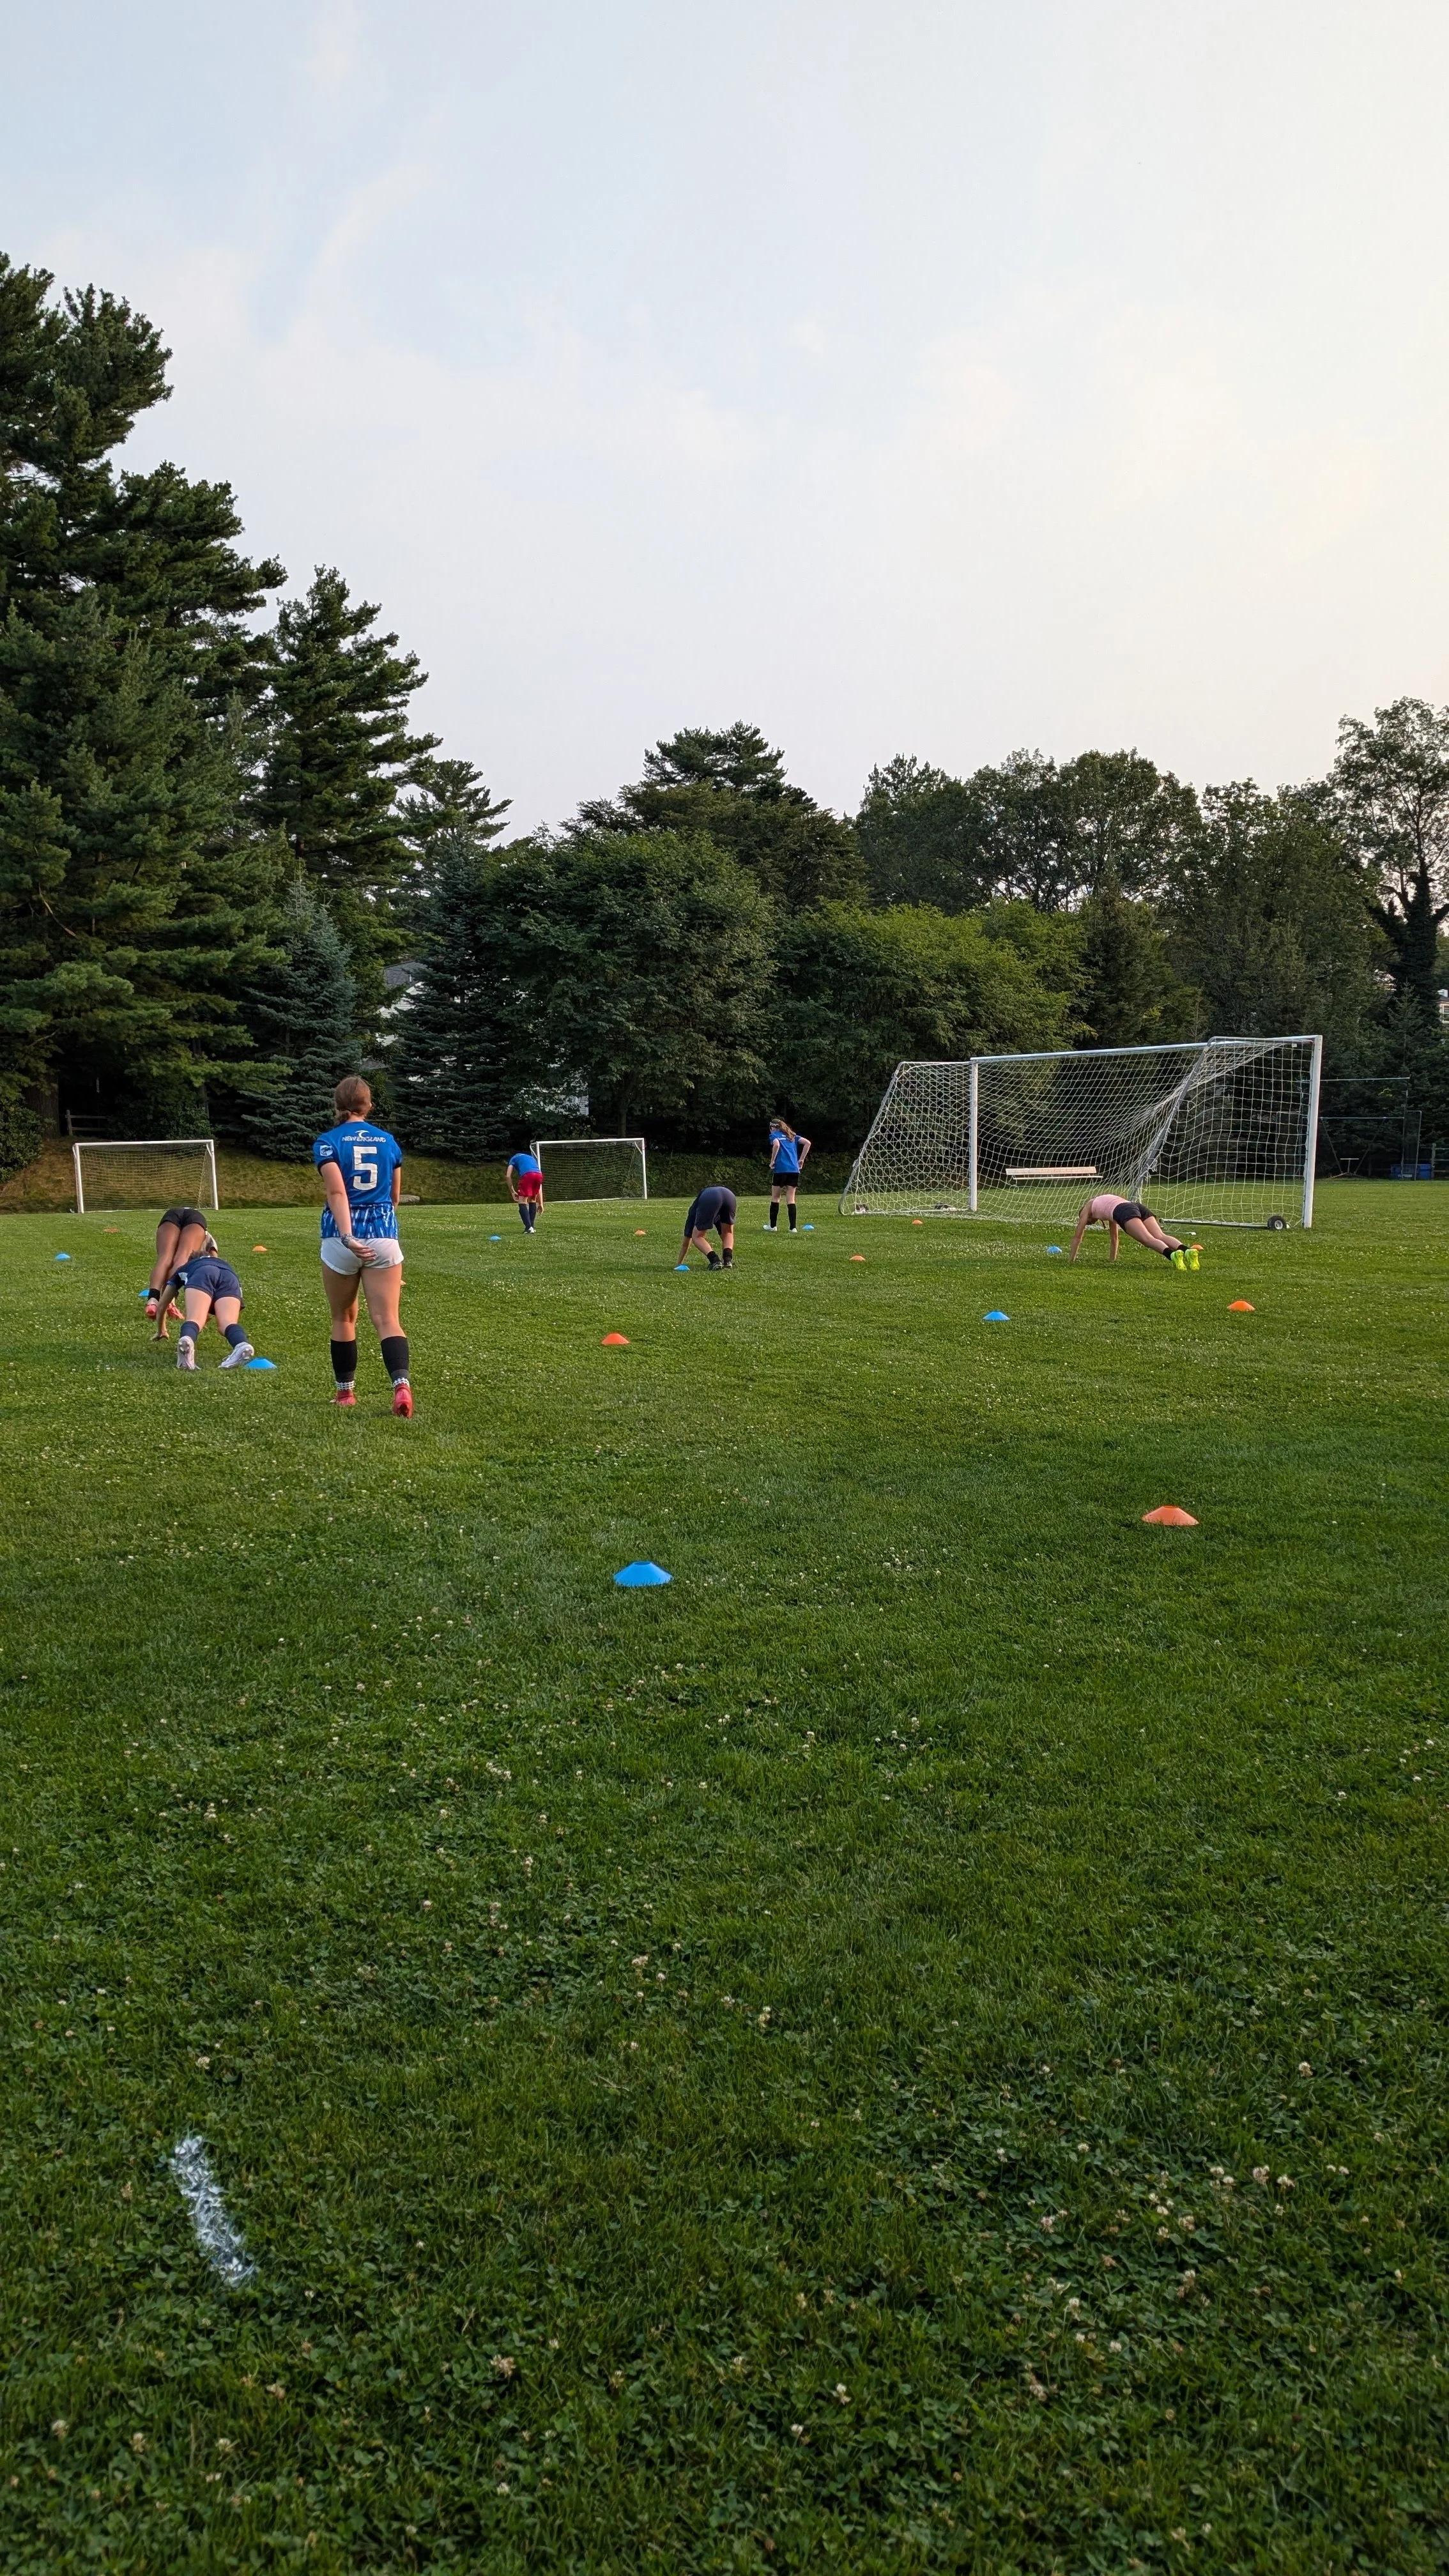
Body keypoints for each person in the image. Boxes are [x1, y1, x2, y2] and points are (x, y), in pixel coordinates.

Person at [312, 1076, 413, 1415]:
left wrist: (348, 1236)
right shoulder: (388, 1141)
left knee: (343, 1317)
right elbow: (395, 1197)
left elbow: (337, 1192)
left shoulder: (327, 1142)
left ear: (337, 1105)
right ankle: (401, 1386)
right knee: (387, 1319)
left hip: (341, 1237)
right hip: (383, 1234)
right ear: (369, 1105)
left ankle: (345, 1394)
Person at [161, 1243, 254, 1372]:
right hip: (230, 1277)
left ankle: (187, 1341)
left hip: (202, 1273)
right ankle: (241, 1344)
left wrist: (161, 1329)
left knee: (195, 1319)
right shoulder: (224, 1264)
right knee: (227, 1323)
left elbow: (163, 1304)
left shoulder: (187, 1267)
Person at [1070, 1190, 1198, 1268]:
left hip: (1125, 1211)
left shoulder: (1087, 1209)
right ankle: (1187, 1251)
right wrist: (1112, 1260)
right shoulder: (1104, 1204)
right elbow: (1114, 1238)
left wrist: (1071, 1261)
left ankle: (1173, 1255)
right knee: (1160, 1235)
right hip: (1136, 1206)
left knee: (1147, 1239)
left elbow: (1077, 1237)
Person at [145, 1206, 211, 1322]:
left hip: (172, 1214)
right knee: (183, 1258)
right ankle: (170, 1301)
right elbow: (213, 1254)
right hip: (196, 1218)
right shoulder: (207, 1240)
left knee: (164, 1258)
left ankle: (153, 1299)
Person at [765, 1119, 811, 1232]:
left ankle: (773, 1226)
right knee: (791, 1199)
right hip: (794, 1170)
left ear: (773, 1128)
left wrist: (772, 1161)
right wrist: (801, 1160)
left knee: (776, 1197)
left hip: (781, 1169)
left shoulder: (774, 1136)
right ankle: (793, 1228)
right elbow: (808, 1143)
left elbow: (776, 1145)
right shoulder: (792, 1136)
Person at [677, 1184, 737, 1270]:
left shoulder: (694, 1211)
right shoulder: (716, 1212)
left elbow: (686, 1243)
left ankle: (715, 1261)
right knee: (728, 1232)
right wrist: (725, 1256)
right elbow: (724, 1236)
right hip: (729, 1195)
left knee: (697, 1236)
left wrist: (679, 1263)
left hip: (710, 1198)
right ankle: (727, 1261)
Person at [506, 1146, 544, 1233]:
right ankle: (532, 1227)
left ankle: (528, 1228)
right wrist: (541, 1203)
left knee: (522, 1202)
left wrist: (512, 1192)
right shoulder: (532, 1159)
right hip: (539, 1175)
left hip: (527, 1175)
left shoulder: (514, 1158)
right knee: (532, 1200)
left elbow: (508, 1176)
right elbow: (540, 1186)